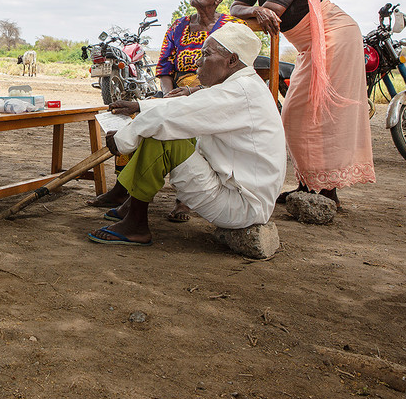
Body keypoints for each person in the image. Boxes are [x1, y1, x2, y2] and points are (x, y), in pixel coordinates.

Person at [87, 24, 286, 245]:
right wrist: (138, 107)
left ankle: (136, 223)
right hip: (240, 196)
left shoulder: (240, 92)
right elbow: (187, 106)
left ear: (232, 60)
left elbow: (172, 116)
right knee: (172, 126)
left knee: (163, 135)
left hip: (240, 206)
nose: (198, 62)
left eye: (206, 54)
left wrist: (123, 139)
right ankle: (131, 203)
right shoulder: (242, 86)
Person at [229, 0, 374, 206]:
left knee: (323, 112)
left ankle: (325, 189)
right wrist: (255, 8)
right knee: (297, 114)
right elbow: (237, 7)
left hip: (336, 36)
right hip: (311, 46)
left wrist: (261, 9)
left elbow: (275, 10)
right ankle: (310, 183)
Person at [87, 0, 243, 222]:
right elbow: (164, 68)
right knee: (135, 118)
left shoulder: (232, 27)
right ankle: (123, 188)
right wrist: (169, 94)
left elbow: (236, 73)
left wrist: (192, 93)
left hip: (213, 94)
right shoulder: (179, 26)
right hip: (178, 92)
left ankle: (184, 200)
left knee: (174, 124)